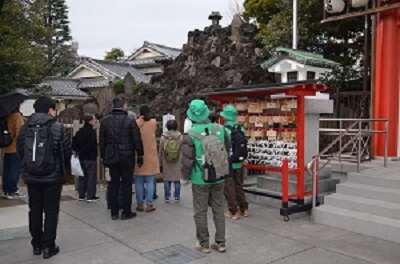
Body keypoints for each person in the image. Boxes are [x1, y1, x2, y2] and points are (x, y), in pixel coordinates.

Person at [17, 96, 72, 259]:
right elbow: (66, 152)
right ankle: (48, 246)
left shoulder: (25, 127)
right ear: (50, 110)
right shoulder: (57, 127)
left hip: (31, 176)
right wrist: (63, 172)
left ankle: (36, 244)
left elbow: (21, 150)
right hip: (52, 177)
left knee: (34, 210)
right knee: (51, 211)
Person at [182, 99, 230, 254]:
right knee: (218, 208)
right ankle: (220, 242)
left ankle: (204, 244)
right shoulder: (221, 129)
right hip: (219, 175)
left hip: (199, 177)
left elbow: (187, 160)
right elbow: (227, 150)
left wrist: (185, 178)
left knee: (200, 211)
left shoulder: (190, 135)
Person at [100, 95, 143, 220]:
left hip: (111, 155)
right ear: (124, 106)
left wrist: (103, 156)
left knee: (113, 183)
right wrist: (140, 153)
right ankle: (126, 211)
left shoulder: (105, 121)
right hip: (127, 155)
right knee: (126, 183)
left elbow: (102, 141)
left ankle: (114, 211)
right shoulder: (130, 120)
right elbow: (136, 139)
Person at [220, 105, 250, 219]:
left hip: (228, 162)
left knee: (229, 186)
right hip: (239, 162)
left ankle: (233, 211)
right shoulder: (241, 129)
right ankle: (244, 208)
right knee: (239, 184)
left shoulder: (224, 130)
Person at [134, 104, 160, 212]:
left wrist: (139, 119)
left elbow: (136, 128)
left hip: (138, 155)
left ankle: (139, 203)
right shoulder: (153, 122)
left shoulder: (136, 123)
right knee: (150, 180)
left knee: (138, 180)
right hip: (150, 155)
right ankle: (149, 204)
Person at [72, 114, 99, 202]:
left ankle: (81, 194)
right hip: (90, 157)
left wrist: (79, 151)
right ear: (90, 121)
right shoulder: (92, 132)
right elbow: (92, 145)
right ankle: (90, 195)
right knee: (91, 176)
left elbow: (74, 143)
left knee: (82, 176)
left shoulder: (80, 132)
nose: (95, 121)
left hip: (81, 157)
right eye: (94, 120)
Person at [2, 107, 25, 199]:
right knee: (15, 169)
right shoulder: (17, 116)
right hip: (16, 147)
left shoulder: (6, 116)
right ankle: (13, 190)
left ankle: (6, 189)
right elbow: (20, 132)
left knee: (7, 170)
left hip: (7, 147)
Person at [159, 120, 182, 203]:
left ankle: (167, 196)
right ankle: (176, 196)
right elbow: (182, 149)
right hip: (177, 160)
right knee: (177, 179)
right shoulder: (180, 136)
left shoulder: (163, 137)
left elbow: (161, 150)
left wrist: (160, 160)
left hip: (167, 160)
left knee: (167, 179)